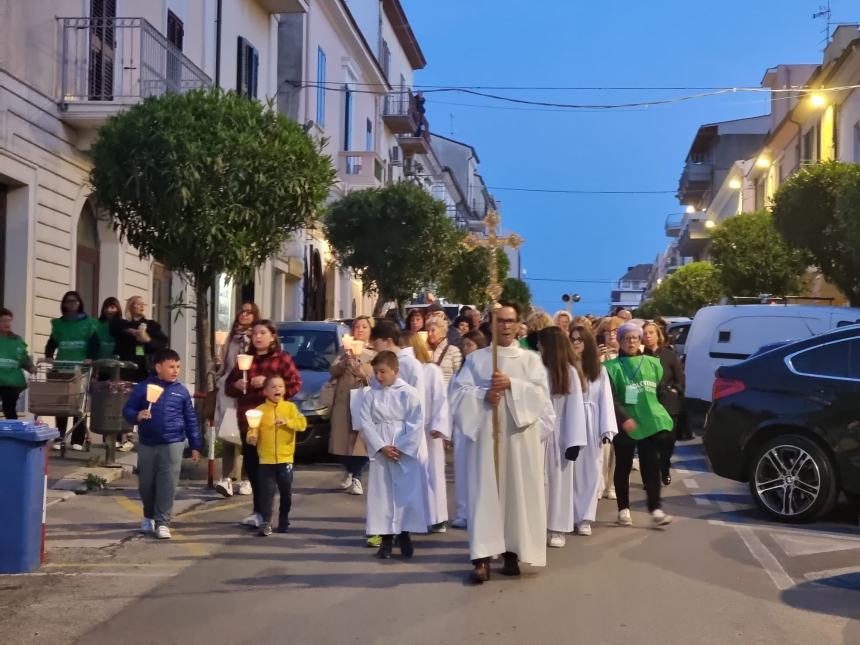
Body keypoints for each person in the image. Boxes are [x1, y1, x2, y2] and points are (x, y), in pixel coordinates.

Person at [450, 303, 551, 584]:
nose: (505, 326)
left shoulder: (530, 360)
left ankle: (511, 552)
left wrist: (512, 385)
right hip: (486, 438)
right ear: (492, 325)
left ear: (519, 325)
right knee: (486, 493)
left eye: (510, 321)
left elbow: (541, 396)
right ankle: (481, 558)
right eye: (500, 321)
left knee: (514, 494)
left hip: (518, 438)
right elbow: (459, 394)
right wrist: (484, 395)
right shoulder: (477, 360)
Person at [226, 320, 302, 529]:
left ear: (272, 337)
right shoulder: (245, 360)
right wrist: (237, 384)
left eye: (262, 333)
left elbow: (295, 384)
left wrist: (269, 383)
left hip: (275, 426)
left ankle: (281, 516)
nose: (258, 337)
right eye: (255, 333)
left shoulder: (281, 359)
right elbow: (228, 388)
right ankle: (259, 512)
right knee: (254, 468)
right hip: (250, 422)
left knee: (275, 475)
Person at [123, 348, 200, 539]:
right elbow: (128, 410)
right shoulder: (143, 387)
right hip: (148, 442)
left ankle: (163, 522)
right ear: (158, 367)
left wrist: (196, 445)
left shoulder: (181, 392)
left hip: (173, 442)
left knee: (168, 483)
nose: (176, 371)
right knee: (146, 484)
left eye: (178, 367)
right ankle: (149, 516)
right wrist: (137, 415)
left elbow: (191, 420)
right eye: (171, 366)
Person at [359, 351, 429, 559]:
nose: (379, 376)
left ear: (395, 371)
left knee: (404, 494)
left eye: (383, 371)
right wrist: (382, 446)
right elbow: (366, 422)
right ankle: (386, 539)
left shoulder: (409, 393)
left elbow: (416, 422)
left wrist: (400, 446)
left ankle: (405, 533)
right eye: (376, 372)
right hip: (381, 451)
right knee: (383, 496)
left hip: (402, 451)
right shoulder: (371, 394)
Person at [604, 322, 674, 529]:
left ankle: (656, 509)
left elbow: (660, 391)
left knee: (651, 465)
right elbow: (612, 398)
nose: (631, 341)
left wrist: (661, 412)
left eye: (635, 337)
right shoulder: (611, 368)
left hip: (649, 422)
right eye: (627, 338)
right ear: (620, 341)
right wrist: (624, 418)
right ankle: (623, 509)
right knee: (623, 466)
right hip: (626, 424)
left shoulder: (653, 363)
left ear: (640, 339)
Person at [538, 327, 587, 548]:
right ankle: (536, 525)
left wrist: (574, 441)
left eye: (541, 343)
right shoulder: (536, 369)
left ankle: (557, 528)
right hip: (536, 434)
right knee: (537, 483)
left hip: (559, 436)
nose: (538, 347)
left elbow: (575, 408)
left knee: (559, 483)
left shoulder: (569, 373)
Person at [569, 324, 618, 536]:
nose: (576, 343)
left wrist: (606, 428)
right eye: (573, 339)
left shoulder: (599, 370)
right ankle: (567, 514)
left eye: (580, 339)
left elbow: (605, 399)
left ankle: (585, 517)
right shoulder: (564, 367)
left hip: (590, 421)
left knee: (590, 469)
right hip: (569, 421)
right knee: (568, 471)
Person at [246, 375, 308, 536]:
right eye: (273, 387)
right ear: (265, 391)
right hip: (265, 459)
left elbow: (302, 424)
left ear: (285, 390)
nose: (277, 389)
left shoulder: (290, 408)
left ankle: (284, 519)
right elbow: (252, 429)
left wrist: (287, 422)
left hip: (285, 458)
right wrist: (252, 436)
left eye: (280, 386)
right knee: (267, 493)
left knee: (286, 492)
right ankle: (266, 522)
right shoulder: (259, 411)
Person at [403, 331, 450, 533]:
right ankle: (415, 516)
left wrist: (439, 424)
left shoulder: (431, 370)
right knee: (413, 474)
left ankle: (437, 517)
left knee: (432, 473)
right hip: (411, 429)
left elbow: (440, 399)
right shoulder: (404, 370)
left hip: (429, 430)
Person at [214, 302, 259, 498]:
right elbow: (223, 367)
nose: (245, 315)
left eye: (249, 312)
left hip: (251, 394)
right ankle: (227, 478)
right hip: (231, 391)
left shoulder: (257, 339)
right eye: (242, 311)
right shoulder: (231, 339)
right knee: (229, 434)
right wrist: (217, 368)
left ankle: (247, 479)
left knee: (250, 436)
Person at [328, 316, 376, 496]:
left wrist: (360, 367)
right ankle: (348, 470)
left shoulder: (373, 352)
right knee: (341, 439)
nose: (360, 330)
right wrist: (343, 363)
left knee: (360, 441)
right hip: (343, 399)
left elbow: (374, 376)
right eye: (357, 326)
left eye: (364, 327)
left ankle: (357, 476)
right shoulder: (344, 349)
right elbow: (332, 371)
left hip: (363, 398)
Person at [45, 290, 97, 450]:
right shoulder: (59, 323)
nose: (71, 304)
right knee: (61, 403)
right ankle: (59, 437)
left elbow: (95, 343)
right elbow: (52, 342)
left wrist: (90, 357)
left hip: (80, 368)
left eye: (74, 301)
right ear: (64, 304)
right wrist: (48, 355)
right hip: (62, 367)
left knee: (78, 404)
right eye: (68, 301)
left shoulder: (88, 323)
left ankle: (77, 440)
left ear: (79, 303)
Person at [450, 329, 488, 530]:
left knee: (480, 472)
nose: (466, 349)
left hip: (481, 425)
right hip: (462, 428)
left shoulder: (486, 368)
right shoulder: (459, 372)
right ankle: (463, 511)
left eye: (470, 345)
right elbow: (452, 397)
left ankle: (480, 510)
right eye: (463, 345)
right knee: (463, 471)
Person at [642, 321, 685, 485]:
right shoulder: (639, 356)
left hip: (668, 405)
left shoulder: (668, 355)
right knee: (648, 445)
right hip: (647, 405)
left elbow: (680, 378)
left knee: (668, 441)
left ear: (658, 335)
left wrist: (676, 390)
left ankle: (664, 468)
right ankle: (648, 478)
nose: (648, 336)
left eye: (651, 332)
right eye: (645, 333)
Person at [0, 308, 33, 420]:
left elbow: (24, 358)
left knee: (9, 408)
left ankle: (12, 433)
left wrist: (30, 367)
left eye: (9, 320)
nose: (7, 324)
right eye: (3, 321)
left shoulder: (17, 340)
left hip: (12, 382)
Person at [426, 317, 463, 384]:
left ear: (443, 333)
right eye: (428, 331)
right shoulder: (425, 351)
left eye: (433, 331)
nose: (429, 334)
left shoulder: (453, 350)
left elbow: (459, 375)